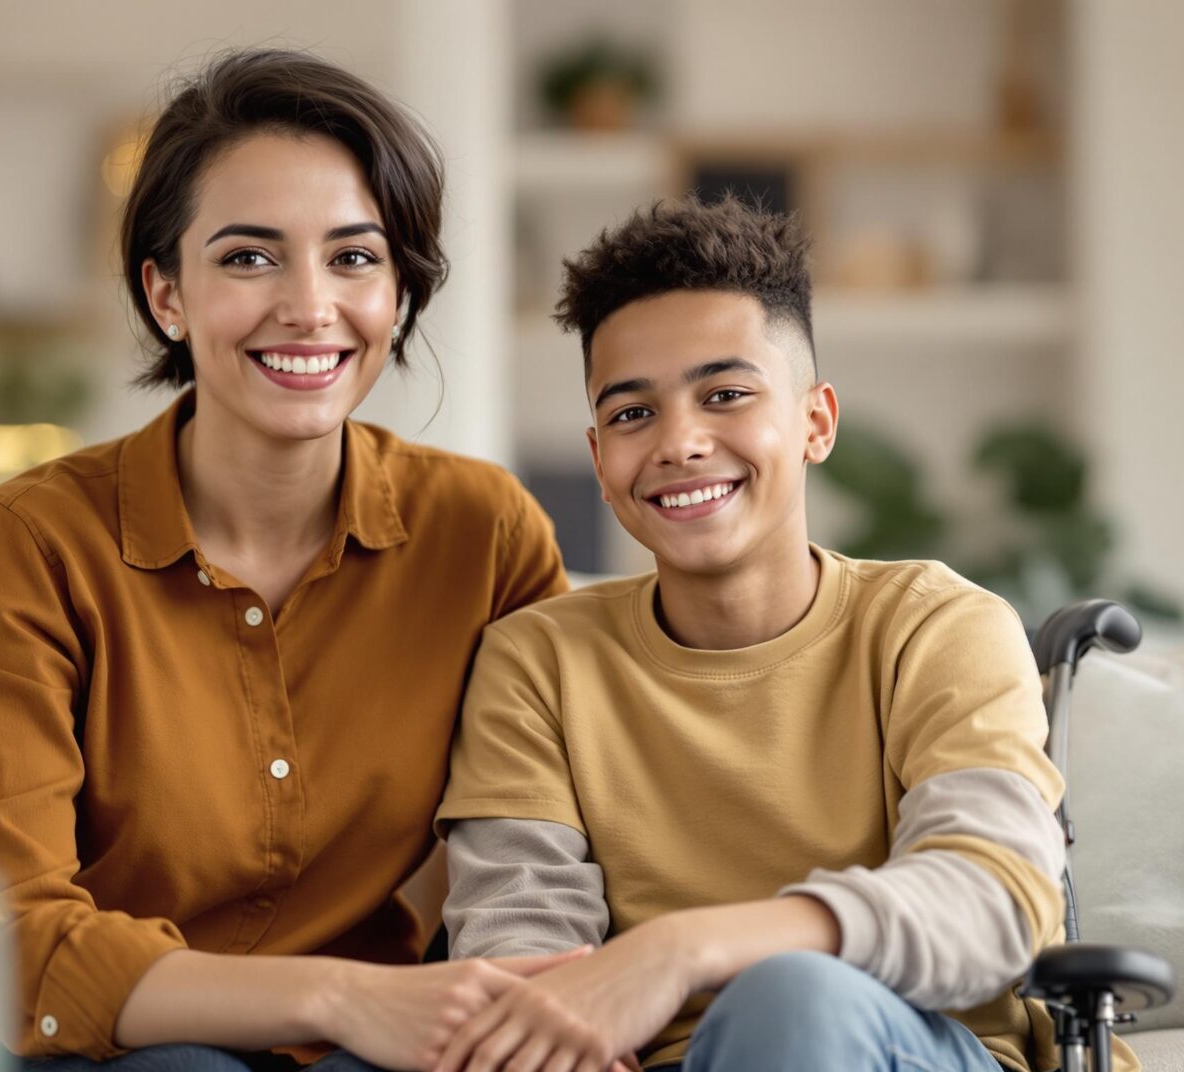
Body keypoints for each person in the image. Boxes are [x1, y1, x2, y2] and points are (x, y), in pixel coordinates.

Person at [0, 49, 574, 1072]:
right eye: (249, 257)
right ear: (166, 292)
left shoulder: (482, 532)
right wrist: (344, 996)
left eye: (354, 258)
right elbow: (7, 932)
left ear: (399, 292)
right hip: (122, 1048)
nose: (309, 306)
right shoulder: (33, 542)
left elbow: (547, 835)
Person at [429, 196, 1139, 1072]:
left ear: (816, 422)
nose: (679, 442)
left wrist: (685, 948)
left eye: (725, 395)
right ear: (600, 466)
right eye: (631, 414)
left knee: (792, 995)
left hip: (903, 1048)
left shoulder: (939, 626)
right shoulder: (535, 661)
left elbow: (994, 895)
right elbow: (517, 959)